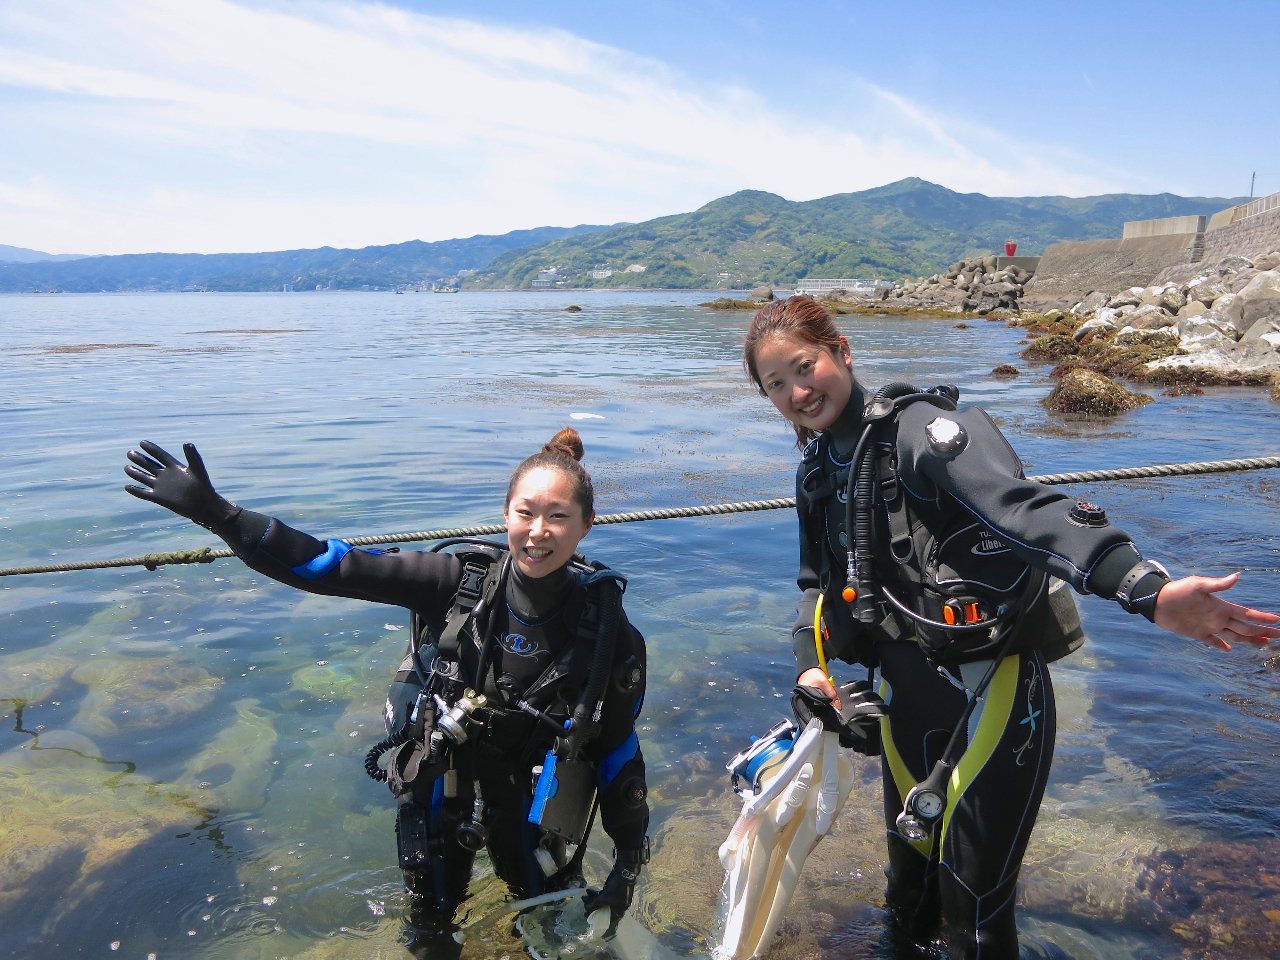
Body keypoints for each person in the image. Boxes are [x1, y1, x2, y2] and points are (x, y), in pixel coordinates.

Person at [740, 296, 1280, 960]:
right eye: (775, 385)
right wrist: (807, 668)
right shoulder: (818, 473)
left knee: (974, 915)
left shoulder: (921, 433)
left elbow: (1027, 513)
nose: (796, 391)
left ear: (841, 352)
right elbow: (814, 588)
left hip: (991, 693)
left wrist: (1146, 589)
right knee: (906, 900)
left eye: (805, 367)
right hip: (905, 709)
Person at [122, 429, 650, 946]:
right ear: (505, 515)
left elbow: (619, 752)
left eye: (558, 516)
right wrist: (220, 515)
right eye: (525, 513)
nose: (538, 531)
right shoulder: (454, 584)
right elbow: (328, 565)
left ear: (587, 526)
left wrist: (626, 863)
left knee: (545, 915)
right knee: (429, 928)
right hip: (444, 773)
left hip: (530, 789)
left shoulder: (607, 632)